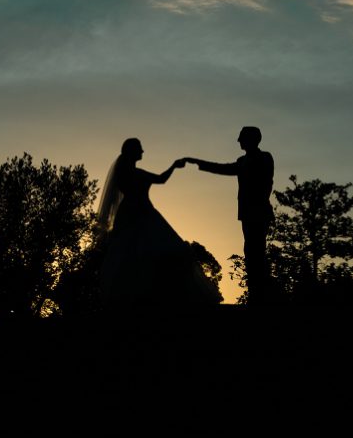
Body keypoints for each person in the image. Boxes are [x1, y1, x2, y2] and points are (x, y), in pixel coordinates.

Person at [96, 138, 221, 311]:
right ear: (133, 152)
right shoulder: (136, 174)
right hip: (144, 214)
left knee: (130, 257)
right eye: (140, 149)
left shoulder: (123, 174)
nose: (143, 152)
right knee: (159, 252)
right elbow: (161, 179)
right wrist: (174, 166)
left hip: (128, 215)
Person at [185, 126, 274, 300]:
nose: (238, 141)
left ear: (251, 139)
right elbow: (223, 168)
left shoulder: (263, 158)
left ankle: (262, 294)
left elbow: (262, 181)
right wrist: (197, 162)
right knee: (250, 252)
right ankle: (255, 293)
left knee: (257, 253)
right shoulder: (242, 161)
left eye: (241, 138)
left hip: (259, 213)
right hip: (248, 214)